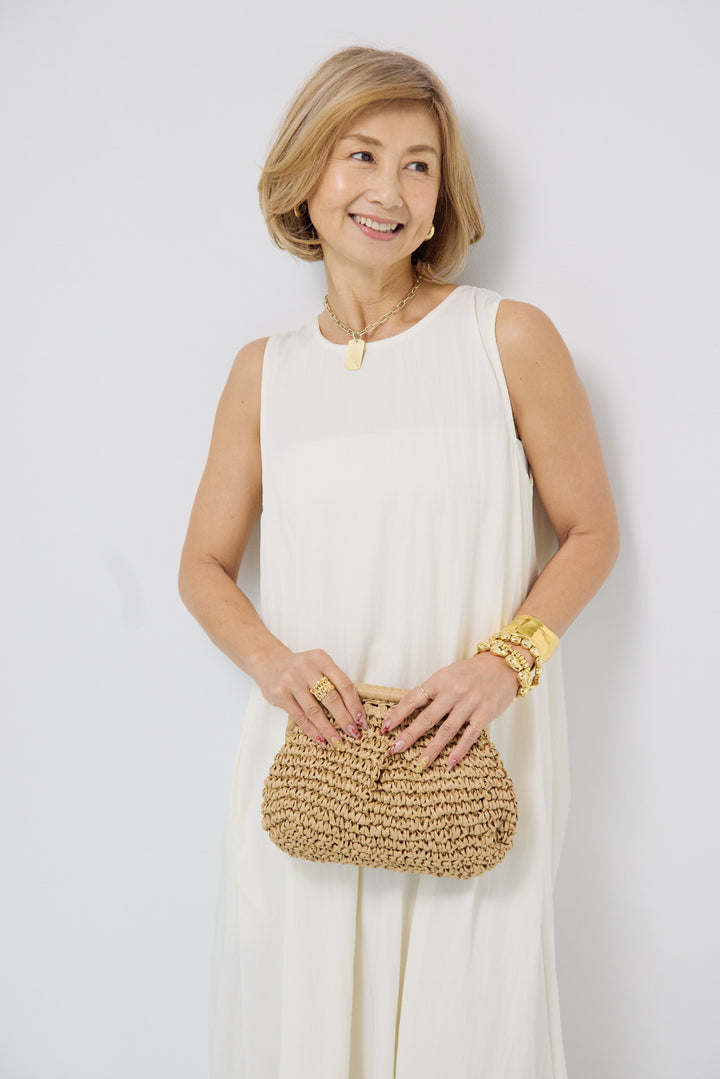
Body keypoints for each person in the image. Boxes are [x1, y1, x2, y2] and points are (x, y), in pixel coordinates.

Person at [178, 45, 619, 1079]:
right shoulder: (264, 373)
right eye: (361, 154)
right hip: (312, 763)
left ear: (440, 200)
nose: (388, 189)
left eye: (419, 165)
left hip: (468, 755)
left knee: (469, 1034)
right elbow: (202, 562)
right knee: (304, 1033)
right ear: (306, 176)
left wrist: (504, 663)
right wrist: (273, 664)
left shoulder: (506, 337)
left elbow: (591, 531)